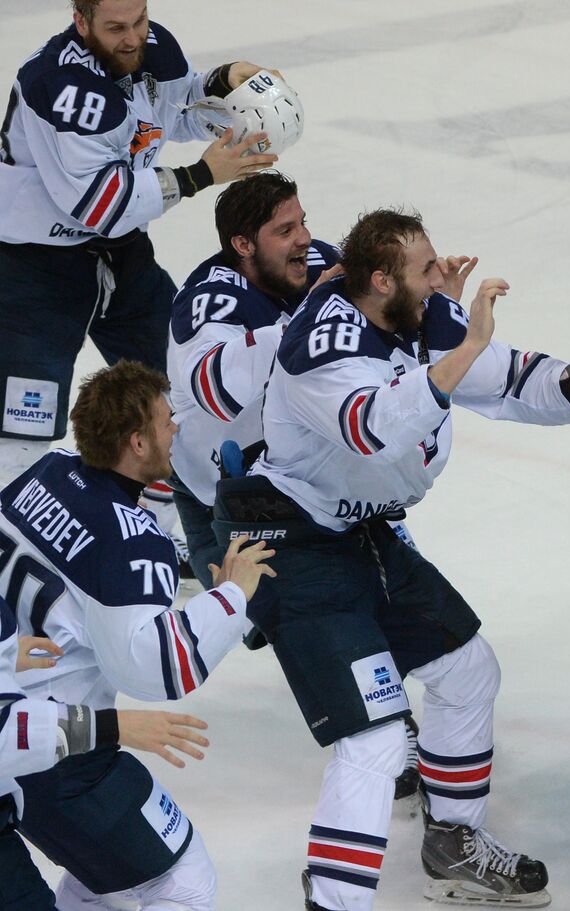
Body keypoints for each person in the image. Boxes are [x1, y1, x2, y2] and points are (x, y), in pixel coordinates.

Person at [214, 207, 570, 910]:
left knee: (468, 668)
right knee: (372, 738)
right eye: (426, 269)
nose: (442, 276)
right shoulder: (322, 344)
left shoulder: (418, 316)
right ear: (379, 280)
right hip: (292, 543)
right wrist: (461, 347)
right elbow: (375, 427)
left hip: (360, 531)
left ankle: (454, 842)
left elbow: (506, 378)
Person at [0, 0, 279, 541]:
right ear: (80, 22)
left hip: (121, 254)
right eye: (115, 28)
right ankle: (12, 558)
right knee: (25, 428)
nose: (132, 39)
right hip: (34, 268)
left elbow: (169, 113)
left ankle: (159, 531)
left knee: (182, 391)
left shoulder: (149, 48)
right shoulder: (58, 86)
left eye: (139, 21)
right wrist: (200, 174)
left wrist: (224, 87)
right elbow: (96, 205)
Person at [0, 360, 275, 910]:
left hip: (16, 718)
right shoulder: (133, 542)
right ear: (136, 442)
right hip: (56, 753)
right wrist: (233, 595)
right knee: (183, 880)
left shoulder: (45, 470)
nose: (176, 428)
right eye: (166, 420)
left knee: (108, 876)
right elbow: (157, 667)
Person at [166, 170, 339, 589]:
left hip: (287, 482)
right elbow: (212, 388)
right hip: (212, 496)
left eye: (302, 222)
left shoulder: (317, 261)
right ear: (243, 245)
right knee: (244, 620)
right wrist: (309, 321)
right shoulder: (211, 302)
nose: (304, 238)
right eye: (285, 230)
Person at [1, 593, 215, 911]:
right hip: (45, 773)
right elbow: (5, 733)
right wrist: (113, 726)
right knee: (187, 882)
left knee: (93, 887)